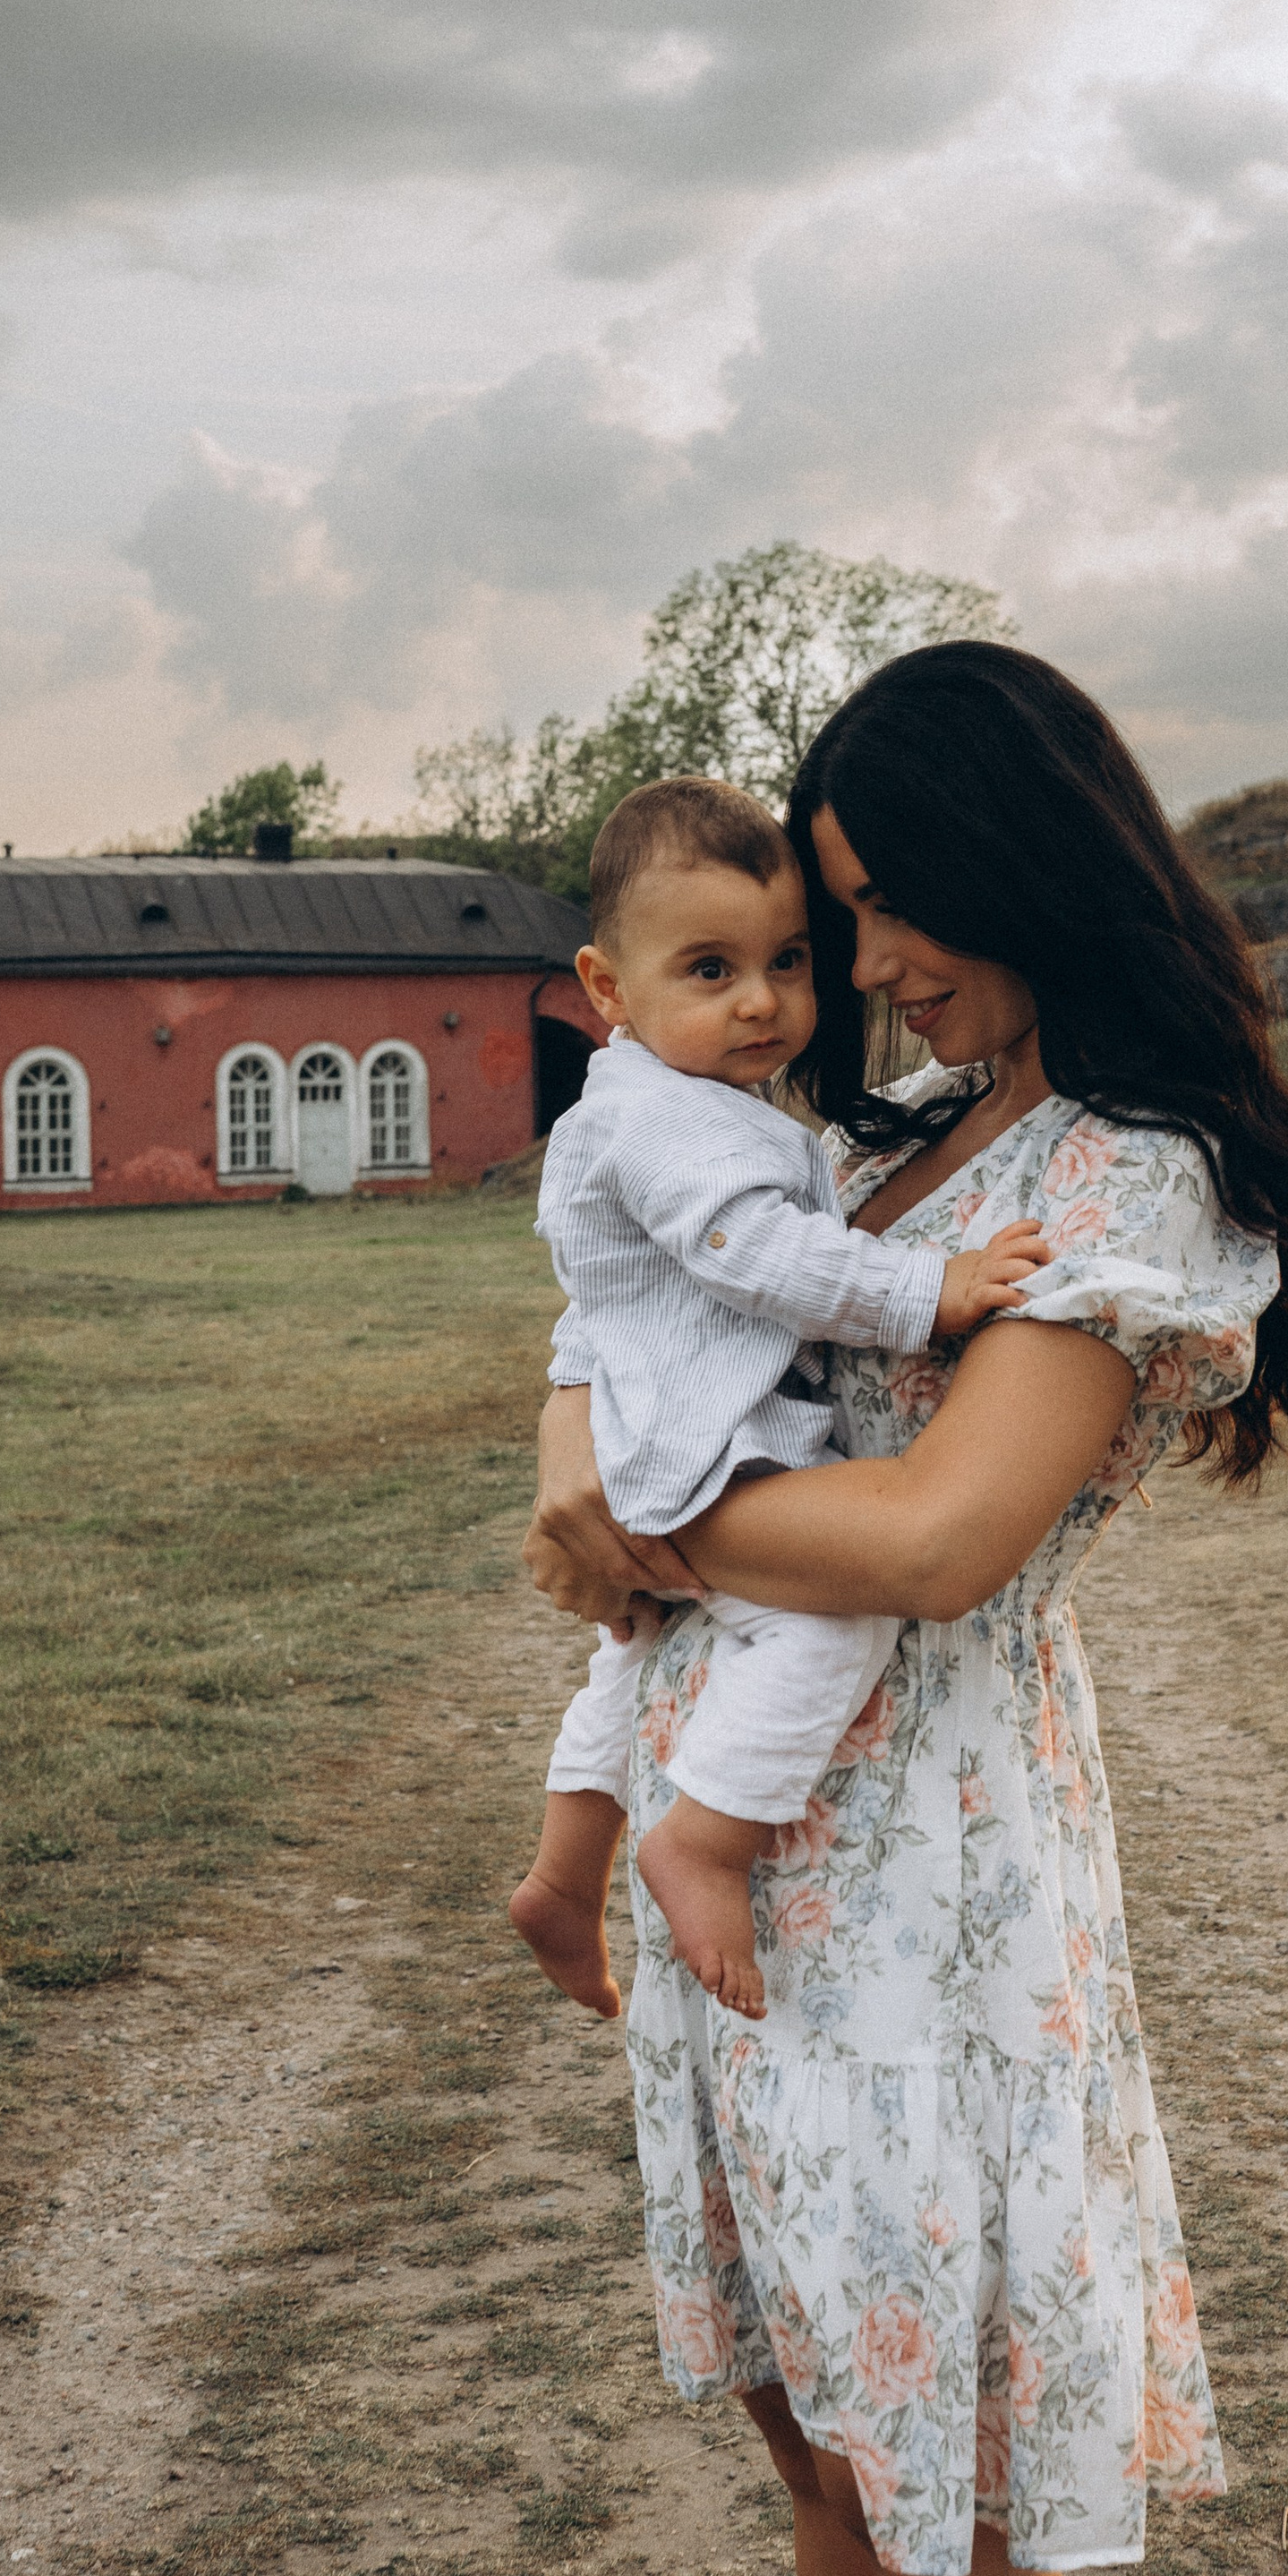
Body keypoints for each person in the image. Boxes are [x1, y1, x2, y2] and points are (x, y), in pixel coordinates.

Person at [525, 645, 1288, 2576]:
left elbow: (928, 1542)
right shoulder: (895, 1142)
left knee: (951, 2508)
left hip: (928, 1899)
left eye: (898, 900)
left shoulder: (1122, 1175)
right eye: (841, 915)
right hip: (752, 1872)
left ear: (1025, 863)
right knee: (830, 2471)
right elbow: (635, 1321)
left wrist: (634, 1516)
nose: (871, 961)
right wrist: (574, 1466)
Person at [509, 775, 1053, 2024]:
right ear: (607, 989)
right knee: (830, 1625)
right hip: (707, 1441)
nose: (764, 1001)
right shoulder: (675, 1122)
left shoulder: (683, 1102)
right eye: (710, 969)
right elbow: (760, 1261)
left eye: (789, 960)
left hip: (662, 1432)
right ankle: (703, 1837)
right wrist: (935, 1290)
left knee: (636, 1649)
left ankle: (562, 1869)